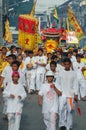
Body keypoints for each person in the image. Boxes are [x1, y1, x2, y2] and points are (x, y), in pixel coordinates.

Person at [58, 58, 78, 130]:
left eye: (68, 64)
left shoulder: (73, 73)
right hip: (62, 95)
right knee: (61, 109)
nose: (67, 66)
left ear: (70, 64)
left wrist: (76, 94)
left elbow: (75, 84)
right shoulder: (60, 72)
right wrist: (59, 91)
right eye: (65, 64)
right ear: (63, 64)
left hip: (70, 96)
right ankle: (62, 124)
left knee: (70, 110)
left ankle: (69, 126)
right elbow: (58, 83)